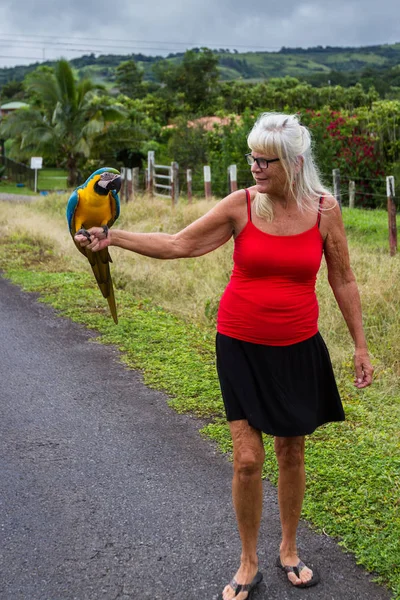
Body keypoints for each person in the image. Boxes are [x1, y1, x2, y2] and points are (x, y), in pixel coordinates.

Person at [75, 112, 373, 600]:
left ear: (294, 164)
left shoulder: (324, 210)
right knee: (248, 460)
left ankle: (290, 550)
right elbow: (180, 245)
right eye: (251, 157)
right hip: (239, 343)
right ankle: (249, 561)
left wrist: (360, 345)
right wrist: (115, 238)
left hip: (298, 345)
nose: (254, 167)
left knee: (291, 449)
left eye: (264, 160)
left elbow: (343, 277)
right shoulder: (240, 205)